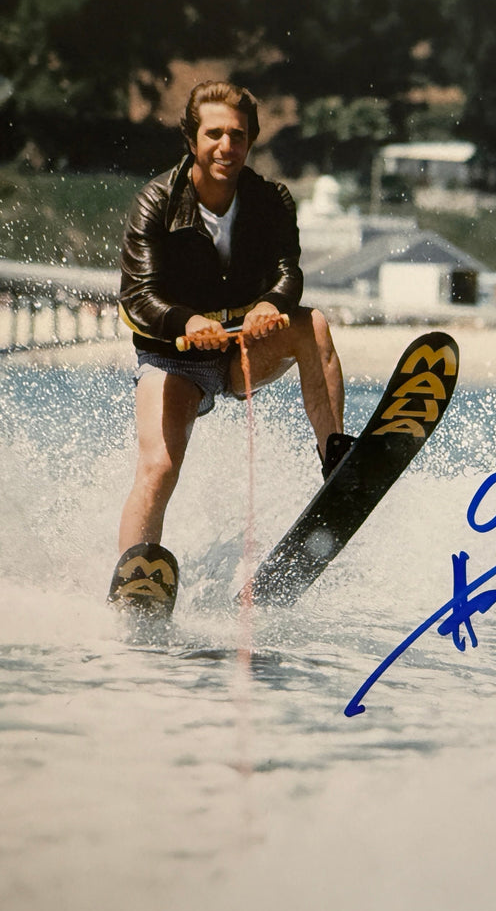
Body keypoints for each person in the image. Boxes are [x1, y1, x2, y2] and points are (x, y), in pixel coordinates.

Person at [110, 81, 351, 605]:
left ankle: (337, 459)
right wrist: (186, 321)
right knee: (158, 468)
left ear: (250, 141)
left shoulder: (270, 200)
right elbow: (137, 296)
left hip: (241, 349)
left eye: (237, 136)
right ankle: (135, 575)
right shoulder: (157, 202)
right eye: (214, 134)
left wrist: (272, 304)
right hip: (172, 357)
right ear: (192, 139)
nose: (226, 146)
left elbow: (288, 272)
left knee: (312, 326)